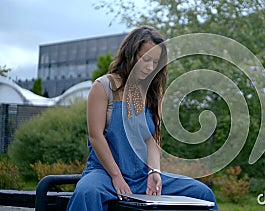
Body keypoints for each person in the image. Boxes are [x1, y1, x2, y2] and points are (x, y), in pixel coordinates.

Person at [67, 26, 218, 210]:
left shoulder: (153, 93)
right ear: (130, 54)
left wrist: (154, 172)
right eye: (145, 59)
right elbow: (95, 136)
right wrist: (116, 176)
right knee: (86, 193)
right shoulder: (103, 86)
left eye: (155, 62)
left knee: (202, 193)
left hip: (142, 177)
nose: (150, 67)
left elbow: (152, 139)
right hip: (105, 174)